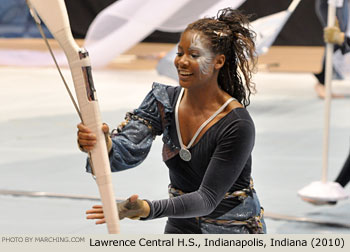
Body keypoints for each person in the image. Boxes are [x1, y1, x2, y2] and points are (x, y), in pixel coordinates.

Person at [78, 8, 266, 234]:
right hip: (181, 223)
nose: (182, 62)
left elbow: (207, 199)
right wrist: (101, 143)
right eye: (179, 53)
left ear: (218, 61)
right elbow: (126, 149)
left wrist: (147, 209)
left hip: (231, 226)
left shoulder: (236, 124)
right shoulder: (163, 101)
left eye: (194, 55)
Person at [314, 0, 350, 99]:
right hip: (331, 4)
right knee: (335, 39)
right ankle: (322, 83)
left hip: (341, 3)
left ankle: (324, 83)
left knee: (340, 39)